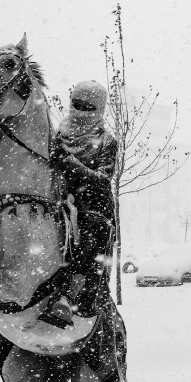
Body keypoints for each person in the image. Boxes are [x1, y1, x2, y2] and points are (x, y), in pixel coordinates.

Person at [41, 81, 120, 326]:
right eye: (76, 103)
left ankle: (73, 292)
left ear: (98, 108)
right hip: (56, 199)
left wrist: (69, 163)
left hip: (92, 206)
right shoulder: (56, 136)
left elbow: (102, 180)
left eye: (87, 106)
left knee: (92, 231)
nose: (80, 110)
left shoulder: (107, 142)